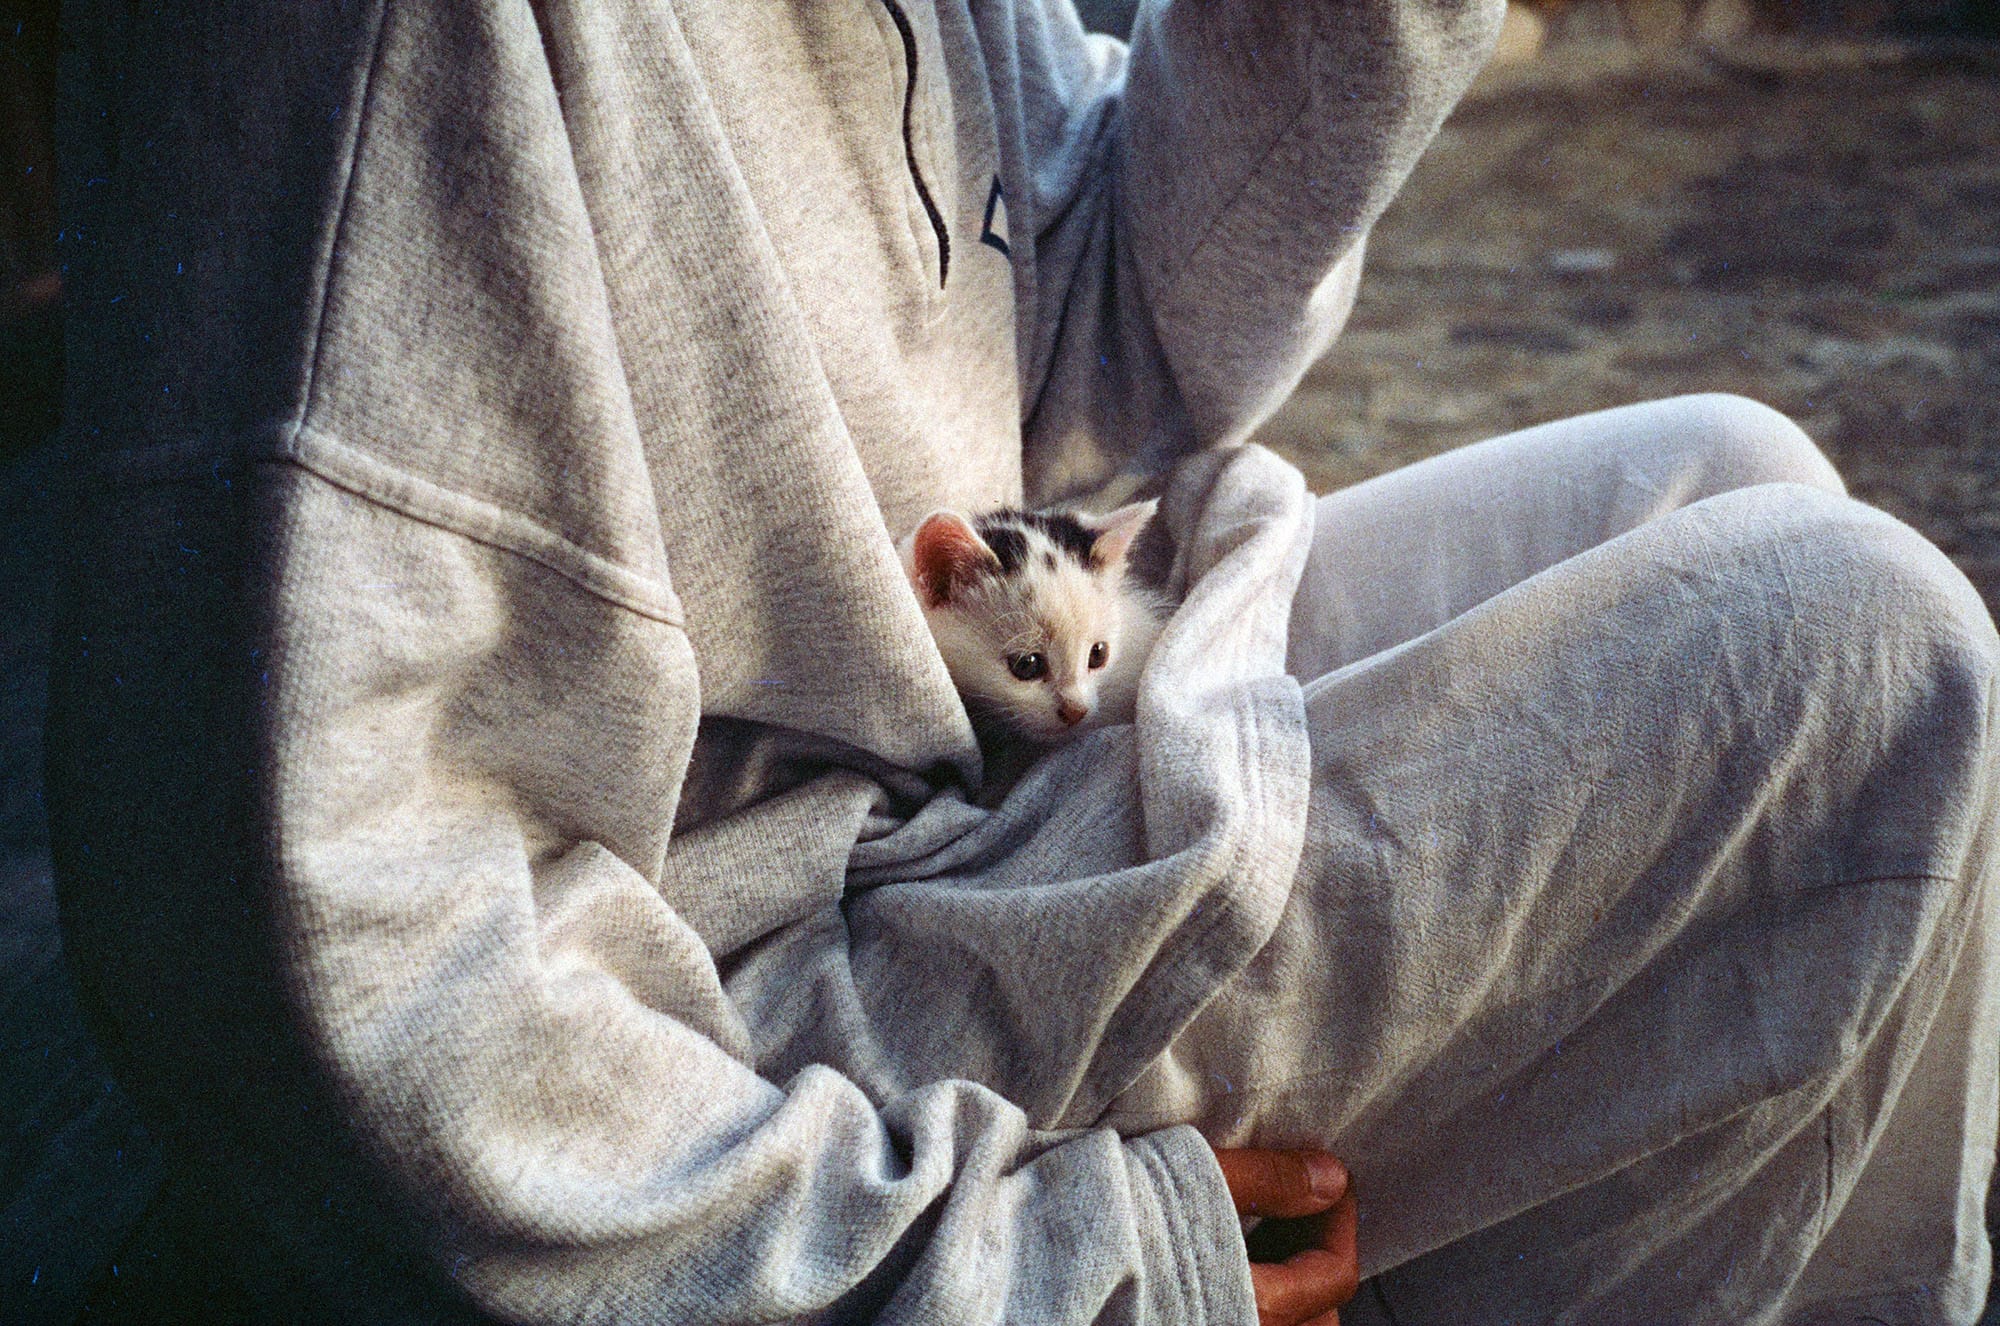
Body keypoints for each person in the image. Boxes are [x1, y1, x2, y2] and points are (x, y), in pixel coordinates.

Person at [47, 0, 1999, 1322]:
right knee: (1854, 674)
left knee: (1722, 481)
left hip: (945, 804)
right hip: (719, 1035)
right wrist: (1028, 1270)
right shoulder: (393, 52)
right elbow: (319, 971)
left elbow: (1099, 368)